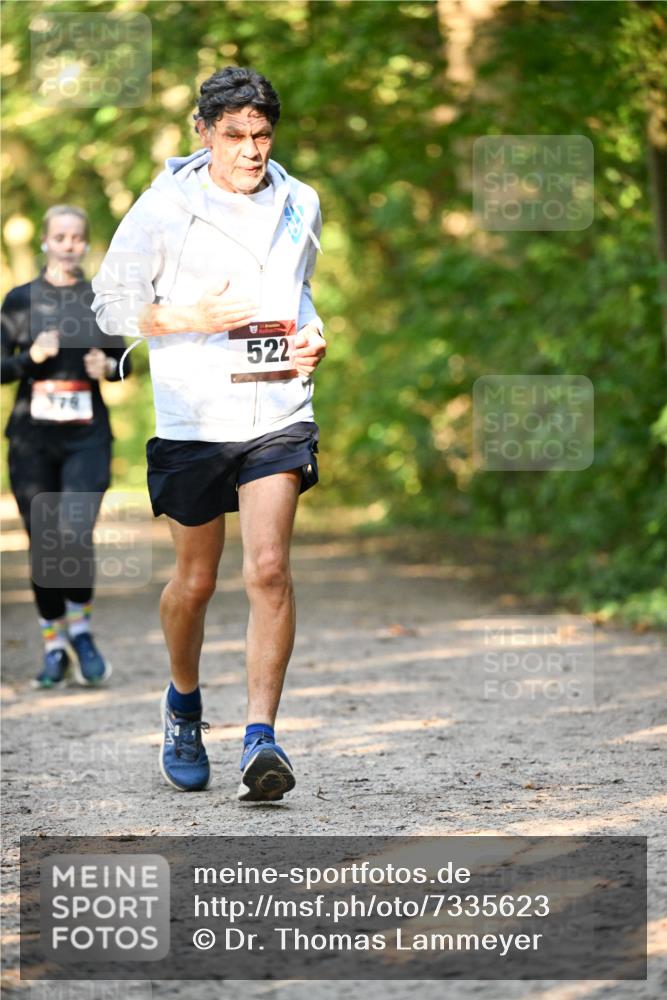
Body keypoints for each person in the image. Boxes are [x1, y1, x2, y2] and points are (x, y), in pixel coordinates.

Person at [92, 66, 326, 802]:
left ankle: (261, 738)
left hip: (277, 412)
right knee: (195, 583)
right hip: (194, 418)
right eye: (233, 136)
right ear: (203, 132)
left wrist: (314, 334)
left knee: (268, 570)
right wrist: (193, 317)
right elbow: (108, 309)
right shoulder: (163, 210)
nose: (250, 151)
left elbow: (301, 291)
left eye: (261, 135)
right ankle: (184, 704)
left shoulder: (300, 202)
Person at [1, 205, 131, 688]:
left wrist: (108, 367)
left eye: (77, 236)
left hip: (87, 438)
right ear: (44, 241)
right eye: (60, 236)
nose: (69, 244)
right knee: (45, 547)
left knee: (74, 534)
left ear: (84, 243)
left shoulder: (99, 299)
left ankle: (81, 629)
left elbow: (124, 363)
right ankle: (54, 644)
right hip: (32, 443)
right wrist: (28, 360)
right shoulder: (18, 301)